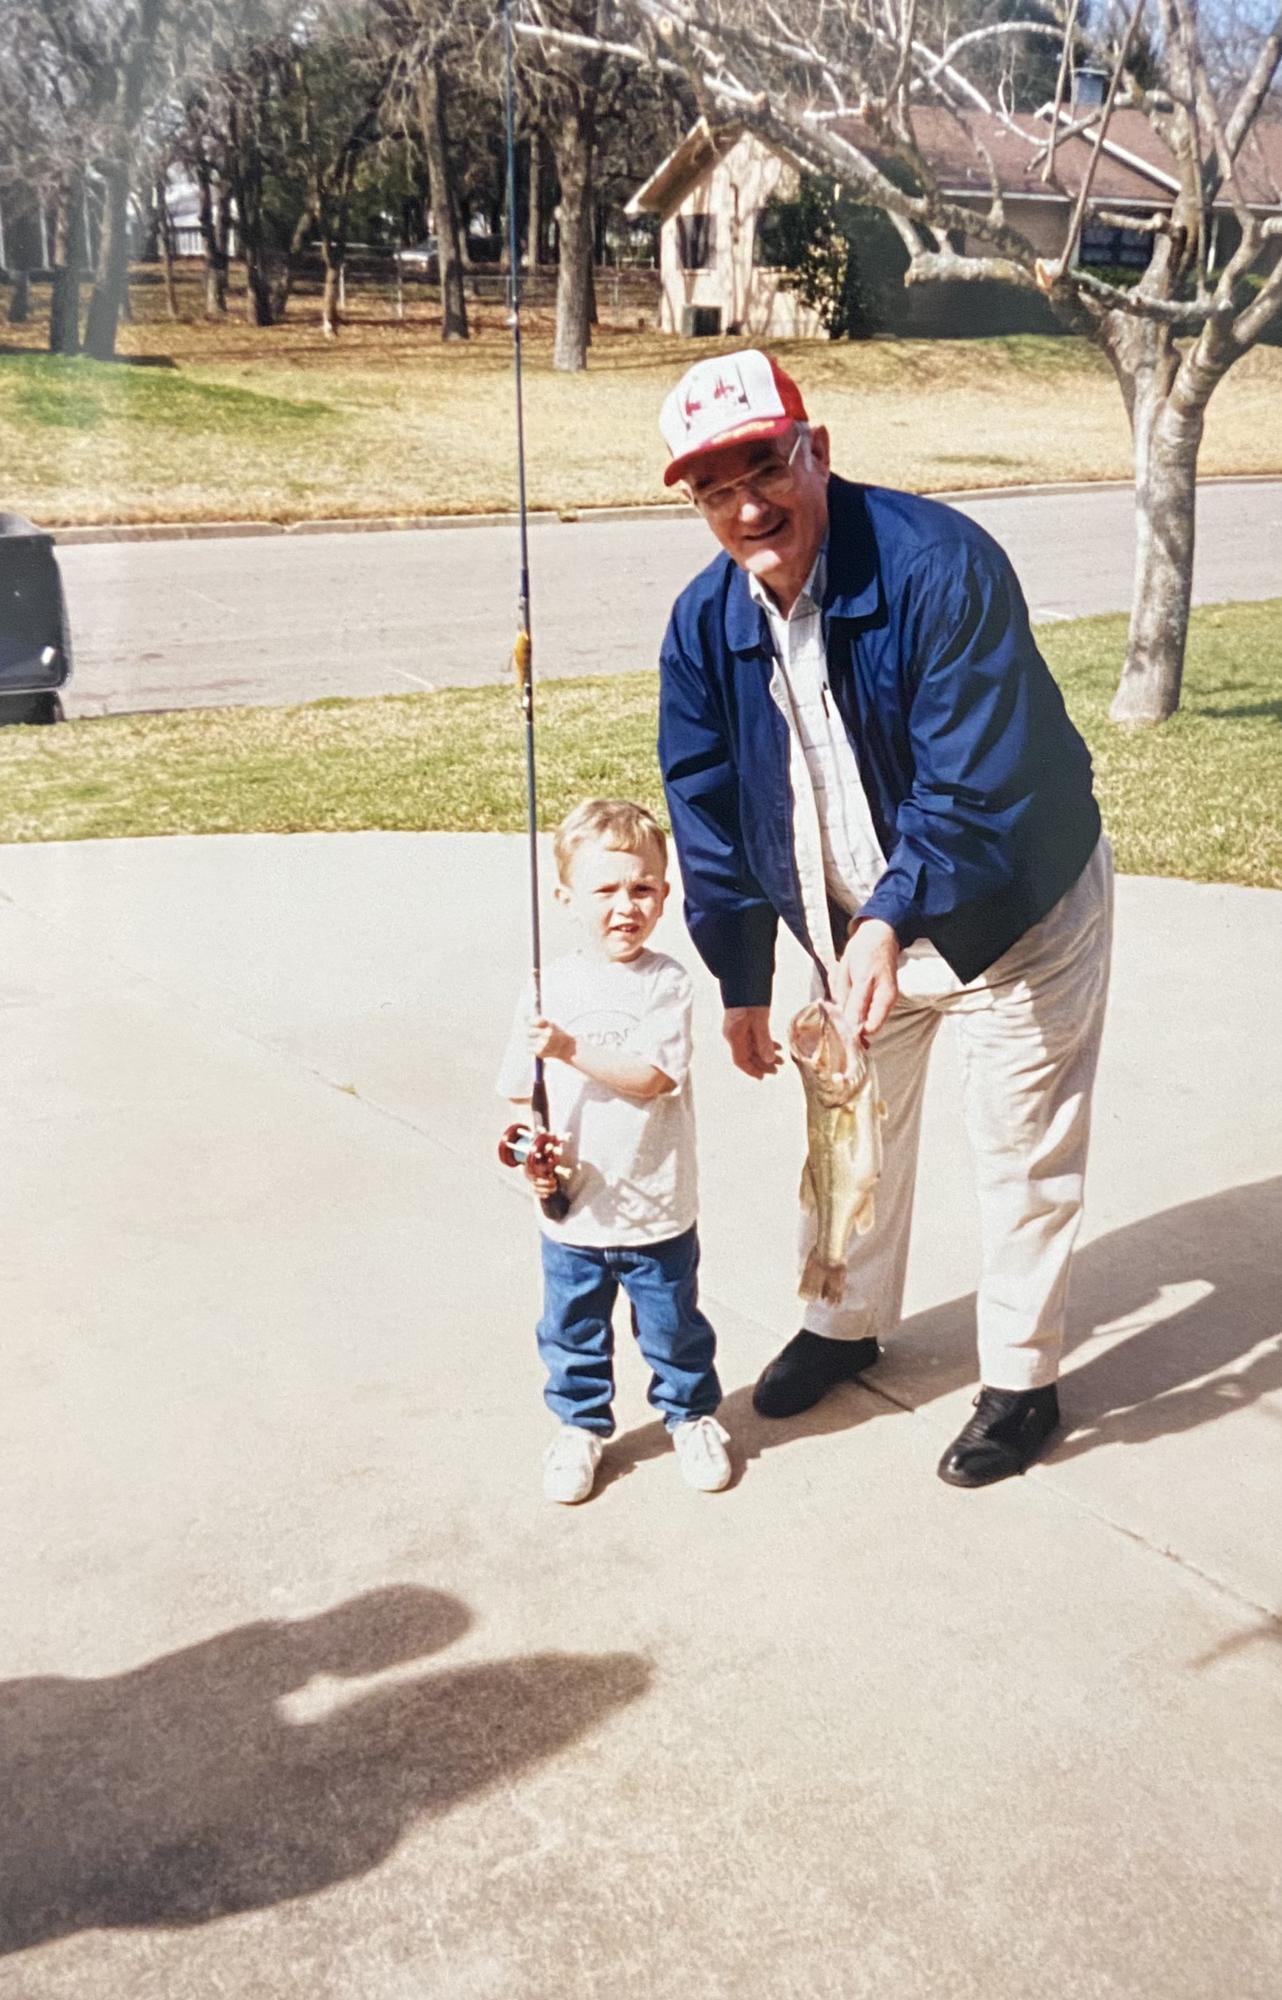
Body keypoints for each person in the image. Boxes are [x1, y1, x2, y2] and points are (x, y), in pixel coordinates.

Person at [656, 349, 1113, 1488]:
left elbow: (974, 785)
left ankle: (1021, 1378)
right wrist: (745, 975)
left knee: (1019, 1150)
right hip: (854, 921)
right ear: (695, 503)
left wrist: (888, 920)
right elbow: (706, 805)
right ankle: (846, 1321)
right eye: (717, 487)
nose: (749, 504)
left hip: (1017, 907)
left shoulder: (939, 566)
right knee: (844, 1132)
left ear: (816, 452)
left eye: (765, 466)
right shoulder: (704, 623)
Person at [498, 798, 731, 1504]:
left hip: (654, 1205)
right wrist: (523, 1156)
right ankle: (580, 1428)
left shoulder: (667, 983)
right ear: (567, 898)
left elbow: (654, 1078)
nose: (625, 906)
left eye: (643, 888)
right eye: (605, 890)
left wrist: (570, 1047)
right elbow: (517, 1095)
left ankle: (691, 1418)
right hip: (574, 1215)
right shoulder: (546, 987)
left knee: (673, 1328)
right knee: (571, 1332)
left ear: (664, 892)